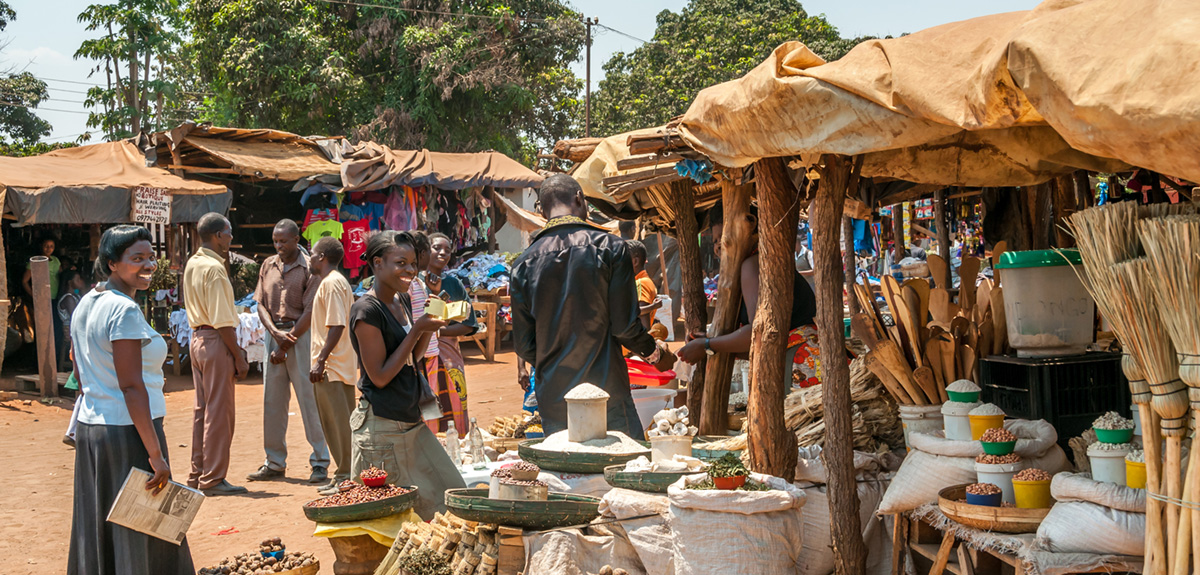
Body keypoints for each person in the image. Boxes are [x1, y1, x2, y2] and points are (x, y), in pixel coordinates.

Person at [67, 225, 194, 575]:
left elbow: (77, 367)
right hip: (130, 431)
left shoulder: (85, 304)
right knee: (145, 527)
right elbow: (131, 387)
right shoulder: (123, 311)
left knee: (102, 524)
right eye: (136, 259)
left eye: (150, 257)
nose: (147, 265)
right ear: (111, 263)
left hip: (94, 429)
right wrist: (155, 454)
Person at [510, 174, 669, 440]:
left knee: (569, 474)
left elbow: (524, 345)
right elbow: (625, 327)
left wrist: (555, 362)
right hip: (607, 390)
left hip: (556, 397)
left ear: (541, 209)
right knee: (626, 469)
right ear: (580, 199)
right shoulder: (612, 248)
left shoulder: (523, 263)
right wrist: (655, 353)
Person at [348, 231, 464, 518]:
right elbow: (380, 377)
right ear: (377, 263)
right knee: (394, 521)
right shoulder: (366, 311)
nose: (411, 270)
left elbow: (412, 357)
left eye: (413, 263)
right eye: (401, 263)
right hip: (383, 430)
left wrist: (428, 326)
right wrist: (416, 329)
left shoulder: (400, 300)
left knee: (453, 498)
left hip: (409, 422)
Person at [676, 206, 823, 386]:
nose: (717, 247)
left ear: (749, 228)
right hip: (803, 362)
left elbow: (759, 334)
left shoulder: (752, 265)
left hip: (802, 367)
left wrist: (708, 345)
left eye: (723, 237)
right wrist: (710, 341)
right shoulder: (763, 261)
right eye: (714, 241)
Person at [248, 219, 330, 485]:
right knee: (272, 403)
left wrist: (286, 343)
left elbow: (310, 311)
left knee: (309, 401)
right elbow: (259, 303)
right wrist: (274, 335)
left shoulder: (310, 268)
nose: (279, 246)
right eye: (275, 241)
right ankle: (274, 462)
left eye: (284, 241)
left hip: (300, 338)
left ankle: (320, 462)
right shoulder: (267, 265)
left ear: (298, 240)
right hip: (274, 336)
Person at [183, 212, 249, 496]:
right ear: (219, 235)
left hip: (196, 338)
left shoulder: (193, 263)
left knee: (203, 410)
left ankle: (198, 473)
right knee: (219, 413)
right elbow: (223, 322)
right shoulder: (214, 268)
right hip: (214, 339)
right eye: (229, 232)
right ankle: (213, 478)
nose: (231, 238)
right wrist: (239, 355)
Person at [307, 237, 358, 495]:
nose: (309, 257)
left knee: (339, 426)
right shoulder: (331, 283)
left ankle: (346, 477)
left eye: (312, 253)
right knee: (334, 424)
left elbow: (337, 324)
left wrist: (321, 360)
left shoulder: (332, 283)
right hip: (333, 366)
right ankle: (343, 474)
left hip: (333, 367)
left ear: (322, 257)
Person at [424, 232, 478, 432]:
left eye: (447, 250)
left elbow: (469, 324)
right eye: (437, 248)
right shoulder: (414, 283)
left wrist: (437, 333)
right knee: (428, 402)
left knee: (454, 400)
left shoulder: (453, 284)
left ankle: (458, 445)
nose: (443, 253)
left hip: (448, 355)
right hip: (421, 354)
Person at [60, 269, 91, 447]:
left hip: (76, 341)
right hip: (76, 339)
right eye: (78, 279)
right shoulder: (70, 299)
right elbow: (76, 320)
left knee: (84, 391)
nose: (81, 281)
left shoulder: (76, 298)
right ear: (71, 281)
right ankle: (73, 431)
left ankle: (73, 430)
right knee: (84, 390)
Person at [23, 236, 64, 372]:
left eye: (51, 246)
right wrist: (34, 296)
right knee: (42, 331)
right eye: (46, 245)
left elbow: (61, 277)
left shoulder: (56, 261)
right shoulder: (35, 261)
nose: (49, 249)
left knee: (55, 331)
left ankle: (54, 363)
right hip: (42, 301)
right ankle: (38, 365)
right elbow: (24, 281)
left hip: (54, 299)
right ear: (41, 246)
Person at [626, 240, 667, 340]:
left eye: (623, 259)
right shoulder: (642, 281)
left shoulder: (640, 284)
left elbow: (644, 323)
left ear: (635, 262)